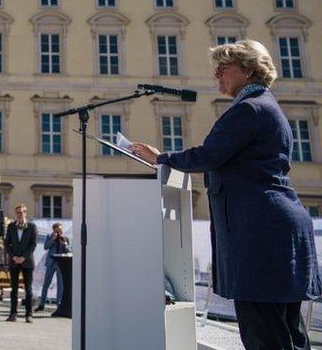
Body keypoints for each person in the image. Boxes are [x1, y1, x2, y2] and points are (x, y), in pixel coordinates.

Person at [132, 39, 321, 350]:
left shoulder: (248, 109)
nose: (216, 74)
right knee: (287, 333)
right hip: (273, 226)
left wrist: (162, 158)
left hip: (259, 230)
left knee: (264, 334)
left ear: (248, 71)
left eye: (223, 68)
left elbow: (209, 155)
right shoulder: (266, 106)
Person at [4, 203, 37, 323]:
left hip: (27, 262)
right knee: (14, 289)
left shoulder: (32, 226)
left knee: (28, 289)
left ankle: (29, 314)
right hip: (14, 261)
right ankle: (13, 313)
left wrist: (24, 257)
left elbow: (33, 244)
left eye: (22, 212)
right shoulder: (11, 226)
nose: (19, 214)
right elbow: (7, 243)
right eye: (17, 212)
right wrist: (13, 257)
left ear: (25, 213)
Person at [36, 222, 70, 312]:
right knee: (46, 284)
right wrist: (52, 239)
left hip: (61, 264)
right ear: (54, 229)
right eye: (58, 229)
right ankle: (42, 304)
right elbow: (46, 247)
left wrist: (65, 244)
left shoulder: (65, 238)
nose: (60, 231)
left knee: (60, 285)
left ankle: (59, 304)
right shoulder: (49, 236)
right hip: (51, 263)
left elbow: (69, 250)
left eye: (61, 229)